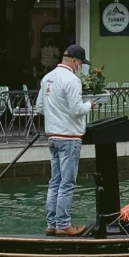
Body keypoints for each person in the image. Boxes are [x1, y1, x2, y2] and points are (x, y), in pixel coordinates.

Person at [35, 44, 91, 236]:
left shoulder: (47, 78)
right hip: (69, 137)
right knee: (67, 183)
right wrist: (89, 104)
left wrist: (56, 113)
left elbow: (40, 107)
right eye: (81, 63)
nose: (81, 67)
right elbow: (77, 111)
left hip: (53, 136)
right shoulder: (72, 80)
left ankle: (52, 223)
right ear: (75, 61)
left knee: (55, 182)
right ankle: (64, 224)